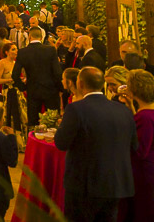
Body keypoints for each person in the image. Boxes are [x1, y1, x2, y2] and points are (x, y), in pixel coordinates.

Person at [54, 67, 137, 222]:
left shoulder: (76, 109)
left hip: (85, 185)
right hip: (115, 183)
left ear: (80, 83)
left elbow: (61, 143)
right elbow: (134, 145)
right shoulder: (123, 110)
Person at [118, 69, 154, 222]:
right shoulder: (146, 113)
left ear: (132, 91)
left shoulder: (144, 117)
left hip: (143, 174)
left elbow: (139, 150)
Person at [12, 27, 62, 127]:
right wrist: (59, 88)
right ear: (42, 36)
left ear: (29, 36)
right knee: (53, 120)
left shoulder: (22, 52)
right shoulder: (51, 50)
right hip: (50, 89)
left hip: (33, 89)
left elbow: (15, 75)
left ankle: (32, 140)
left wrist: (23, 87)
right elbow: (57, 72)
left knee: (33, 121)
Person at [0, 43, 26, 150]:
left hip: (17, 93)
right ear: (7, 52)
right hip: (7, 93)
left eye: (16, 49)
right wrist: (10, 80)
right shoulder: (2, 63)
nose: (16, 51)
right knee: (7, 116)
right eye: (13, 49)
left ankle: (20, 142)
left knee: (21, 116)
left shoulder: (18, 63)